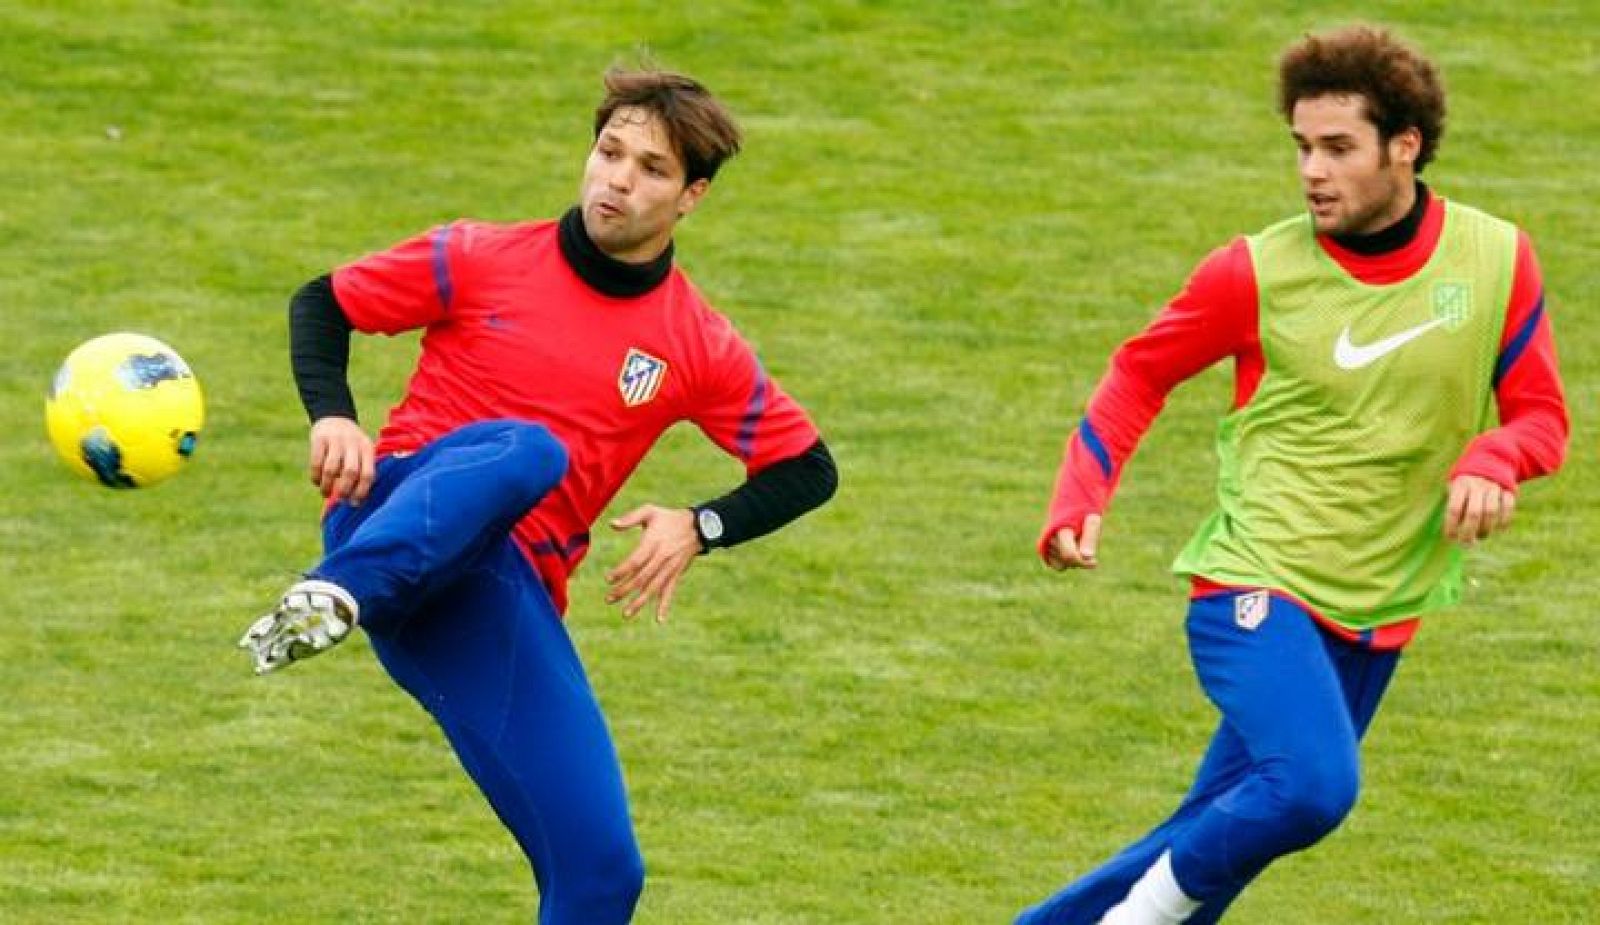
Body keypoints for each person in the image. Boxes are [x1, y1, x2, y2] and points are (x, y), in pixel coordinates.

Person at [238, 68, 837, 924]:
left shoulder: (695, 341)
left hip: (490, 598)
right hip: (392, 513)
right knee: (530, 449)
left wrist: (700, 525)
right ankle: (332, 593)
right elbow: (322, 303)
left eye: (652, 168)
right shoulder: (482, 254)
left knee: (603, 873)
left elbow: (808, 466)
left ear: (692, 196)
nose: (618, 179)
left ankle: (340, 596)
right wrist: (333, 416)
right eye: (609, 152)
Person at [1018, 25, 1566, 925]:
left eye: (1338, 148)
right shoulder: (1254, 272)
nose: (1313, 170)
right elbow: (1138, 373)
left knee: (1218, 836)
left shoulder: (1496, 259)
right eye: (1302, 147)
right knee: (1310, 787)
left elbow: (1543, 417)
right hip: (1254, 580)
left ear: (1406, 145)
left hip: (1380, 605)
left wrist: (1494, 454)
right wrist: (1079, 499)